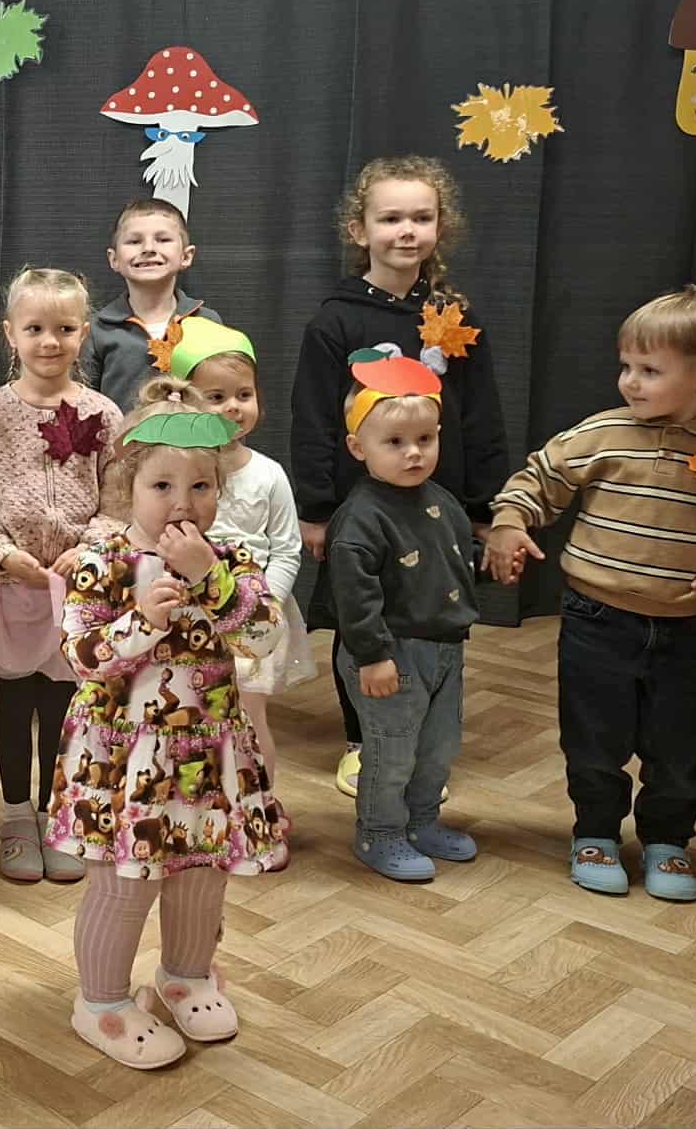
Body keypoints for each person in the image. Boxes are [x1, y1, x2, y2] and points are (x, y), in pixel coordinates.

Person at [485, 286, 696, 901]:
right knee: (593, 740)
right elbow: (539, 479)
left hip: (684, 627)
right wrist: (509, 522)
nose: (630, 381)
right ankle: (595, 833)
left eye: (649, 370)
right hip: (595, 618)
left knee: (675, 745)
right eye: (626, 365)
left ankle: (668, 841)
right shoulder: (603, 432)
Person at [46, 378, 283, 1069]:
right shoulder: (102, 562)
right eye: (163, 485)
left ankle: (185, 976)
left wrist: (212, 580)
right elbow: (81, 656)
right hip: (123, 762)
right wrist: (142, 621)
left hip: (208, 757)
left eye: (201, 486)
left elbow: (265, 634)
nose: (183, 503)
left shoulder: (230, 562)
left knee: (202, 877)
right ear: (128, 488)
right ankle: (101, 1001)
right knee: (126, 884)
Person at [291, 156, 507, 797]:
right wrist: (317, 509)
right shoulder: (335, 320)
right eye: (390, 218)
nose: (406, 230)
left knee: (427, 611)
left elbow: (481, 415)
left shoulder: (455, 319)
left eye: (421, 217)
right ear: (359, 230)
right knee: (363, 613)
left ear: (441, 227)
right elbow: (313, 418)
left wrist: (484, 507)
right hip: (359, 505)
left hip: (438, 504)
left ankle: (421, 739)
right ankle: (363, 740)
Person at [0, 267, 123, 884]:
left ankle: (57, 815)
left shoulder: (102, 413)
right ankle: (16, 817)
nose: (50, 342)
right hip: (12, 589)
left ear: (84, 333)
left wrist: (92, 550)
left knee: (62, 707)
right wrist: (0, 555)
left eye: (65, 329)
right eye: (35, 329)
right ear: (11, 334)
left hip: (79, 593)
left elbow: (121, 499)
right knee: (15, 701)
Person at [326, 351, 481, 883]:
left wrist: (488, 566)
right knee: (391, 751)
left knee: (437, 749)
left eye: (425, 439)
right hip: (389, 653)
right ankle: (380, 831)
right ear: (358, 447)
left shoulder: (441, 501)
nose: (413, 453)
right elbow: (355, 596)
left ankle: (421, 822)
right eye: (394, 442)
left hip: (443, 648)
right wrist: (372, 656)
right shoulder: (361, 517)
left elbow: (453, 560)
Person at [173, 318, 314, 786]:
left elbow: (287, 549)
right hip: (190, 618)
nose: (233, 407)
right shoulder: (176, 473)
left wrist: (259, 606)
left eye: (244, 394)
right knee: (190, 717)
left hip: (254, 618)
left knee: (249, 719)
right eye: (216, 397)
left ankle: (260, 806)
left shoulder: (269, 474)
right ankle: (201, 805)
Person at [79, 197, 223, 412]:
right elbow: (83, 404)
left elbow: (223, 394)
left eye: (163, 239)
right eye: (134, 241)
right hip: (121, 434)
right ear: (114, 259)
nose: (148, 248)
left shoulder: (207, 322)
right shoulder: (96, 329)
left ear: (186, 256)